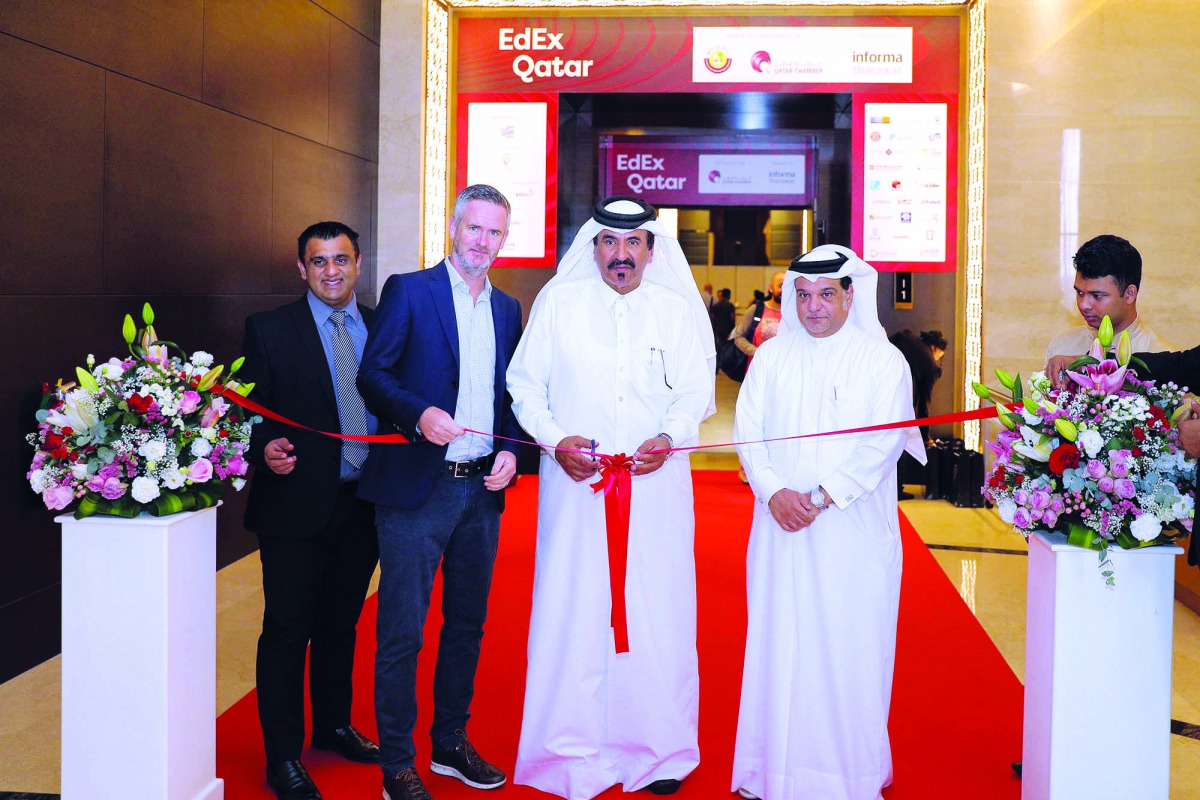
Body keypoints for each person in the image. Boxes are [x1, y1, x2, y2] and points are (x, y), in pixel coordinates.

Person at [506, 195, 715, 799]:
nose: (620, 256)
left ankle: (659, 750)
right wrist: (554, 440)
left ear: (652, 250)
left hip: (655, 487)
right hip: (576, 487)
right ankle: (570, 750)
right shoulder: (559, 304)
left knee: (656, 611)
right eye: (608, 243)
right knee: (575, 609)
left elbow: (695, 393)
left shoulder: (675, 311)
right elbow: (525, 386)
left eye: (632, 245)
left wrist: (668, 437)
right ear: (593, 246)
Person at [731, 244, 925, 800]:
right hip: (778, 529)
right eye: (804, 295)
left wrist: (818, 497)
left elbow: (881, 444)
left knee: (848, 650)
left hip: (850, 534)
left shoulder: (881, 359)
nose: (814, 307)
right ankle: (770, 771)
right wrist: (772, 492)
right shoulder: (771, 356)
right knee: (777, 642)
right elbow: (748, 431)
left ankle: (845, 778)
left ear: (850, 296)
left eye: (826, 295)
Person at [357, 185, 523, 800]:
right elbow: (372, 374)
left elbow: (511, 397)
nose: (483, 242)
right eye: (474, 228)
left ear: (506, 239)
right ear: (453, 228)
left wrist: (509, 447)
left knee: (467, 626)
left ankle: (450, 742)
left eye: (495, 232)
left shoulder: (508, 309)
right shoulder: (409, 289)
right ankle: (398, 762)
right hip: (415, 492)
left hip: (481, 490)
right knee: (402, 630)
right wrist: (416, 413)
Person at [241, 221, 382, 800]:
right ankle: (283, 758)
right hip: (295, 509)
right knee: (286, 630)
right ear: (302, 269)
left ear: (357, 263)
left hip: (367, 504)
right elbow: (245, 411)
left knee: (340, 626)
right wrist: (263, 447)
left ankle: (333, 725)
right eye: (319, 261)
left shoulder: (382, 322)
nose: (331, 271)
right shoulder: (269, 329)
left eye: (341, 259)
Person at [1044, 234, 1172, 361]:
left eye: (1097, 296)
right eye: (1080, 293)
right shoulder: (1062, 346)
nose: (1083, 305)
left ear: (1129, 294)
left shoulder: (1162, 357)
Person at [888, 329, 947, 499]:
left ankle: (892, 489)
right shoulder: (929, 363)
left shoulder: (907, 338)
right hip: (895, 403)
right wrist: (924, 435)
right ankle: (896, 490)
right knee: (897, 443)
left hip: (878, 391)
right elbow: (924, 402)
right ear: (936, 349)